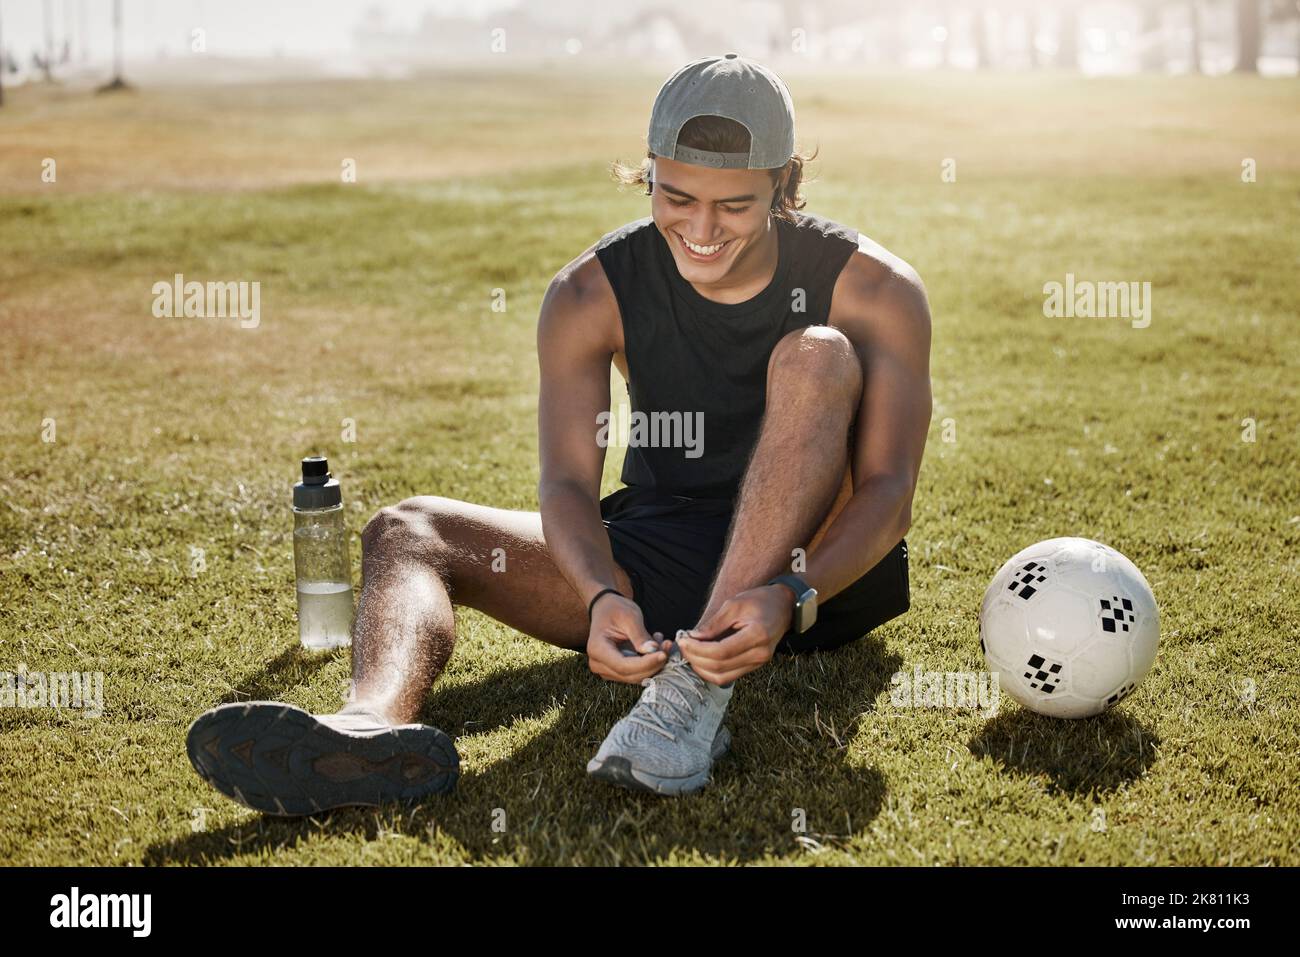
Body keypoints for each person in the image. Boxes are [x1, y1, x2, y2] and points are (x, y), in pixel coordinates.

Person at [186, 53, 932, 815]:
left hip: (818, 578)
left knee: (818, 354)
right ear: (647, 175)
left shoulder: (874, 289)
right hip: (660, 566)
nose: (702, 230)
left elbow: (887, 491)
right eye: (675, 196)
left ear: (785, 184)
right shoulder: (589, 291)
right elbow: (569, 484)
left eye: (735, 205)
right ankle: (366, 726)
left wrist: (791, 593)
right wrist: (600, 591)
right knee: (408, 528)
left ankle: (691, 694)